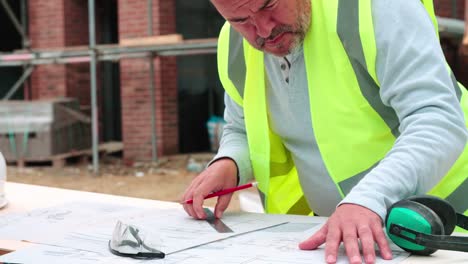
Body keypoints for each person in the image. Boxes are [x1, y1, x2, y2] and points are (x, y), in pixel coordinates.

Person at [182, 0, 468, 263]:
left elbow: (436, 120)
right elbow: (241, 127)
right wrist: (230, 162)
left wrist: (367, 198)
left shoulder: (373, 8)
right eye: (241, 19)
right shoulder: (234, 44)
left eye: (269, 4)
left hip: (450, 227)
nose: (264, 29)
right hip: (357, 232)